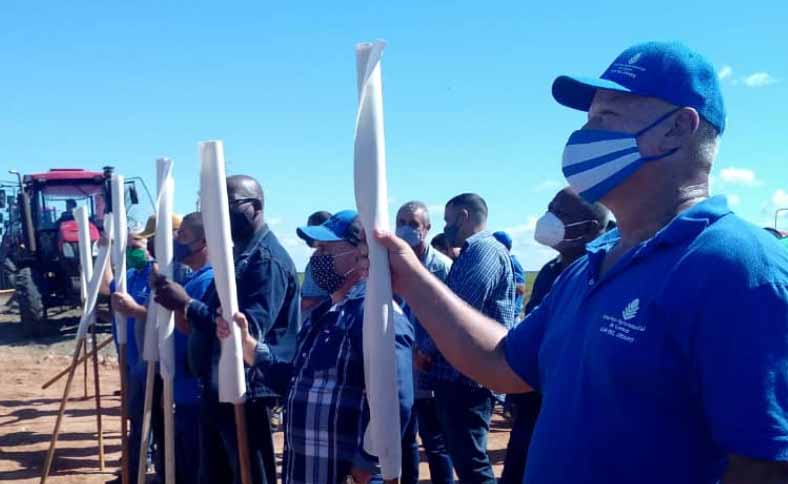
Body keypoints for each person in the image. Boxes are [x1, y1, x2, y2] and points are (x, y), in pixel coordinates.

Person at [368, 41, 788, 483]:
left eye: (607, 116)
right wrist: (410, 277)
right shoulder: (594, 262)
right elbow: (504, 363)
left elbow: (766, 465)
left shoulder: (740, 270)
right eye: (589, 120)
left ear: (678, 129)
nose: (586, 135)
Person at [153, 175, 301, 484]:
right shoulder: (237, 255)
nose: (216, 215)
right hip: (217, 386)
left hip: (247, 391)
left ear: (255, 207)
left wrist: (188, 304)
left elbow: (247, 332)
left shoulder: (265, 260)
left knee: (250, 474)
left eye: (226, 206)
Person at [253, 209, 413, 484]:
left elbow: (395, 398)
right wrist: (252, 350)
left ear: (360, 253)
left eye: (326, 249)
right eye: (317, 249)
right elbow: (296, 382)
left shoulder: (378, 315)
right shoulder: (322, 314)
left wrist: (365, 462)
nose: (316, 257)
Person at [499, 187, 609, 484]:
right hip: (530, 396)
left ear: (590, 228)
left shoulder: (604, 274)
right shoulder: (550, 271)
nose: (549, 218)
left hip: (567, 406)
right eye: (550, 208)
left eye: (560, 213)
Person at [421, 193, 514, 484]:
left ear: (463, 216)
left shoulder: (483, 252)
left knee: (472, 464)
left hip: (469, 377)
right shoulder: (472, 253)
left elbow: (459, 311)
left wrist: (424, 349)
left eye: (448, 221)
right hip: (460, 373)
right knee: (464, 458)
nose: (446, 228)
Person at [107, 215, 182, 484]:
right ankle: (135, 471)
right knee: (140, 418)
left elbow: (171, 313)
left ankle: (158, 472)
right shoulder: (136, 274)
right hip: (139, 360)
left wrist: (136, 311)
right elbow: (108, 286)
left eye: (146, 241)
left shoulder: (173, 272)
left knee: (160, 424)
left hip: (164, 360)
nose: (147, 247)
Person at [394, 201, 454, 484]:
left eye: (413, 224)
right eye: (401, 222)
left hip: (430, 364)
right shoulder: (388, 264)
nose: (405, 229)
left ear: (427, 230)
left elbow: (451, 316)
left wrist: (427, 348)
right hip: (399, 365)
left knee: (435, 441)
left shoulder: (443, 268)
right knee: (404, 440)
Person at [170, 212, 212, 484]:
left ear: (203, 241)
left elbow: (197, 329)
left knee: (198, 467)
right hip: (185, 391)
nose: (177, 241)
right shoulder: (194, 279)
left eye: (183, 236)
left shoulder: (207, 281)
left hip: (197, 393)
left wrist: (177, 305)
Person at [297, 210, 333, 318]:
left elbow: (311, 300)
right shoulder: (332, 258)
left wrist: (288, 307)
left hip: (315, 323)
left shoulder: (319, 261)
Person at [492, 231, 526, 318]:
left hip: (511, 316)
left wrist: (498, 283)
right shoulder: (498, 262)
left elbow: (521, 289)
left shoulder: (512, 262)